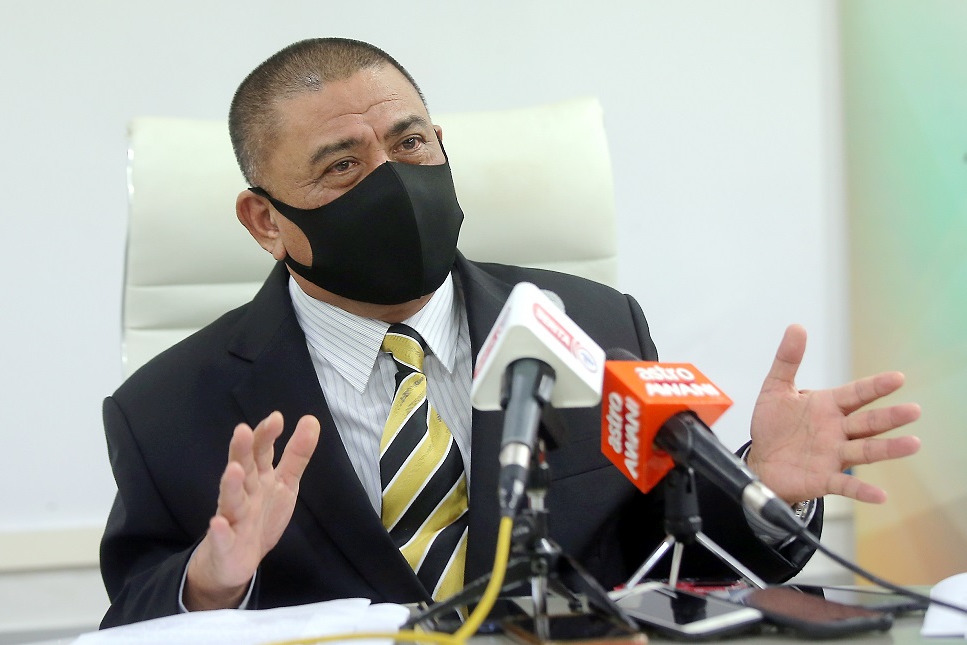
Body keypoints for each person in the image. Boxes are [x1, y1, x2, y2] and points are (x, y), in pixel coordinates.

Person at [98, 37, 921, 628]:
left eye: (410, 141)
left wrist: (765, 485)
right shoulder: (168, 407)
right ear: (264, 220)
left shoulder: (593, 328)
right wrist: (207, 584)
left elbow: (681, 561)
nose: (393, 179)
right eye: (342, 164)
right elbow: (132, 606)